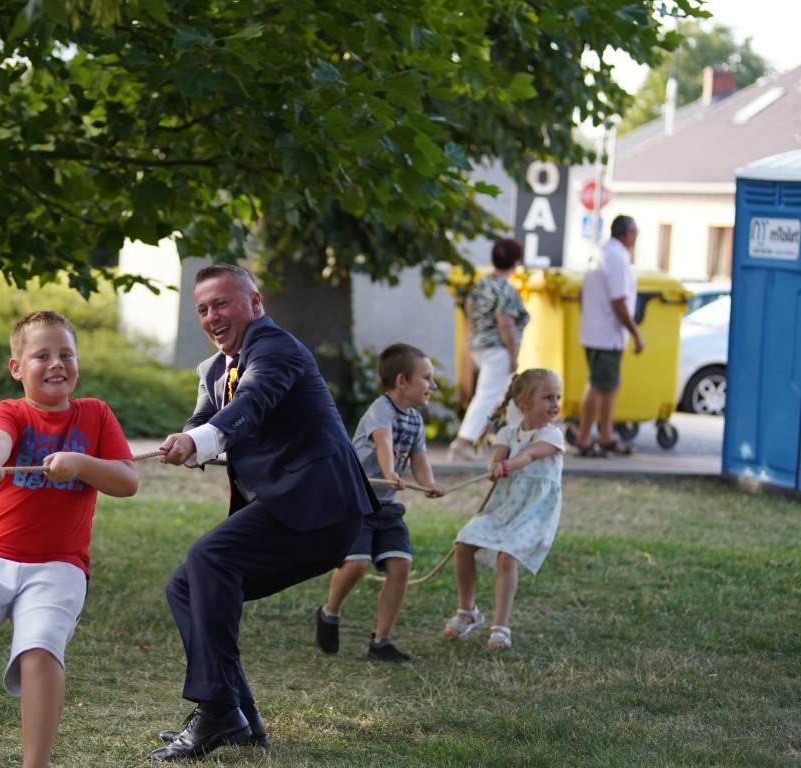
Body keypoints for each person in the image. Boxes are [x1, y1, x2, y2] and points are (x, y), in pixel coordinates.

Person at [151, 263, 378, 761]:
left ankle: (216, 711)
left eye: (221, 303)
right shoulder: (214, 369)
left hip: (323, 507)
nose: (211, 317)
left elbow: (250, 405)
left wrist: (200, 440)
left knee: (209, 560)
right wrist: (185, 439)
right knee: (187, 584)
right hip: (291, 508)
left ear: (255, 303)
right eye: (202, 309)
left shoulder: (275, 348)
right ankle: (240, 718)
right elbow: (204, 418)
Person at [0, 311, 139, 768]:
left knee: (39, 651)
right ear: (17, 368)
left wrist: (80, 462)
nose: (57, 363)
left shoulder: (96, 414)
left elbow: (127, 480)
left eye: (66, 354)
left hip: (59, 565)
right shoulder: (10, 411)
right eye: (42, 355)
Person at [314, 343, 446, 663]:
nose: (432, 385)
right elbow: (383, 442)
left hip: (387, 507)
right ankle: (329, 612)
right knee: (357, 564)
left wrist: (429, 484)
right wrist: (389, 473)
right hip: (356, 503)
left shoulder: (415, 421)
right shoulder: (381, 410)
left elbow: (419, 458)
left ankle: (381, 640)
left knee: (401, 564)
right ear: (402, 381)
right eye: (427, 378)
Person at [441, 368, 564, 651]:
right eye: (548, 397)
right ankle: (467, 611)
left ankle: (500, 626)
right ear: (524, 402)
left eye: (557, 397)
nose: (555, 404)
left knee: (507, 557)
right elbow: (497, 463)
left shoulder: (552, 435)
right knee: (463, 544)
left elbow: (529, 455)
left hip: (533, 512)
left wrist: (506, 465)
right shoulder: (508, 434)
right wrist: (495, 468)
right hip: (503, 507)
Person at [447, 238, 530, 462]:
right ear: (516, 262)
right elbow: (505, 323)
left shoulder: (482, 284)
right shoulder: (506, 289)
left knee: (509, 396)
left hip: (479, 346)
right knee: (488, 395)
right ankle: (463, 442)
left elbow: (469, 308)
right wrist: (513, 356)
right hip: (498, 350)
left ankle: (518, 442)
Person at [574, 215, 644, 457]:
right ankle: (585, 439)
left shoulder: (599, 252)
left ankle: (606, 436)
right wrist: (636, 333)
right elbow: (619, 302)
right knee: (599, 386)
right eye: (636, 232)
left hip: (595, 330)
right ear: (628, 234)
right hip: (608, 334)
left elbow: (582, 294)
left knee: (607, 386)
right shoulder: (618, 257)